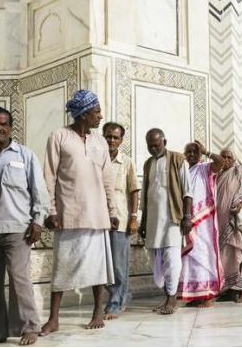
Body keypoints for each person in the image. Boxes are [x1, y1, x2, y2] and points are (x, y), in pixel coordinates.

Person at [42, 90, 119, 335]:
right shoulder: (59, 136)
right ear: (84, 114)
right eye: (96, 111)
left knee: (99, 267)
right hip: (69, 214)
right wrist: (50, 210)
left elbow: (108, 180)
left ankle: (97, 312)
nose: (100, 116)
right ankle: (53, 319)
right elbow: (49, 176)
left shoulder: (99, 142)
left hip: (97, 216)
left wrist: (113, 211)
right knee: (62, 268)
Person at [0, 107, 49, 345]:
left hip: (18, 229)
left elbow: (39, 191)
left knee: (20, 280)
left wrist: (38, 222)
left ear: (10, 128)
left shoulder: (25, 155)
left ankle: (30, 327)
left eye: (2, 124)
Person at [139, 128, 192, 315]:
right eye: (149, 146)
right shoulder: (147, 164)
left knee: (171, 259)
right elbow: (145, 195)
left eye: (156, 145)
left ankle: (172, 299)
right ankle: (166, 295)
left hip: (173, 219)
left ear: (164, 142)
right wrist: (143, 222)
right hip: (153, 221)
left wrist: (187, 217)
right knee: (156, 262)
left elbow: (187, 192)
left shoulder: (178, 160)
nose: (153, 149)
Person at [177, 141, 224, 308]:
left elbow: (221, 162)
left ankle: (208, 295)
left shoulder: (205, 168)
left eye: (195, 152)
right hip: (188, 219)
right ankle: (195, 295)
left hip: (204, 220)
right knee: (190, 256)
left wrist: (207, 151)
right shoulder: (183, 171)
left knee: (204, 254)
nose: (191, 154)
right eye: (188, 152)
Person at [102, 122, 140, 319]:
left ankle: (116, 302)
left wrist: (134, 218)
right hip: (99, 220)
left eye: (115, 137)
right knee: (103, 265)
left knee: (118, 264)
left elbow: (134, 191)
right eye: (108, 136)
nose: (111, 141)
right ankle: (123, 295)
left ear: (121, 140)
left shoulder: (127, 162)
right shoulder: (97, 160)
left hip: (121, 221)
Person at [216, 148, 242, 303]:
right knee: (225, 256)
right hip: (221, 221)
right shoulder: (216, 175)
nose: (226, 159)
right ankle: (228, 290)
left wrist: (241, 204)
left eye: (229, 157)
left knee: (240, 253)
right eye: (223, 156)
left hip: (237, 221)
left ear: (233, 160)